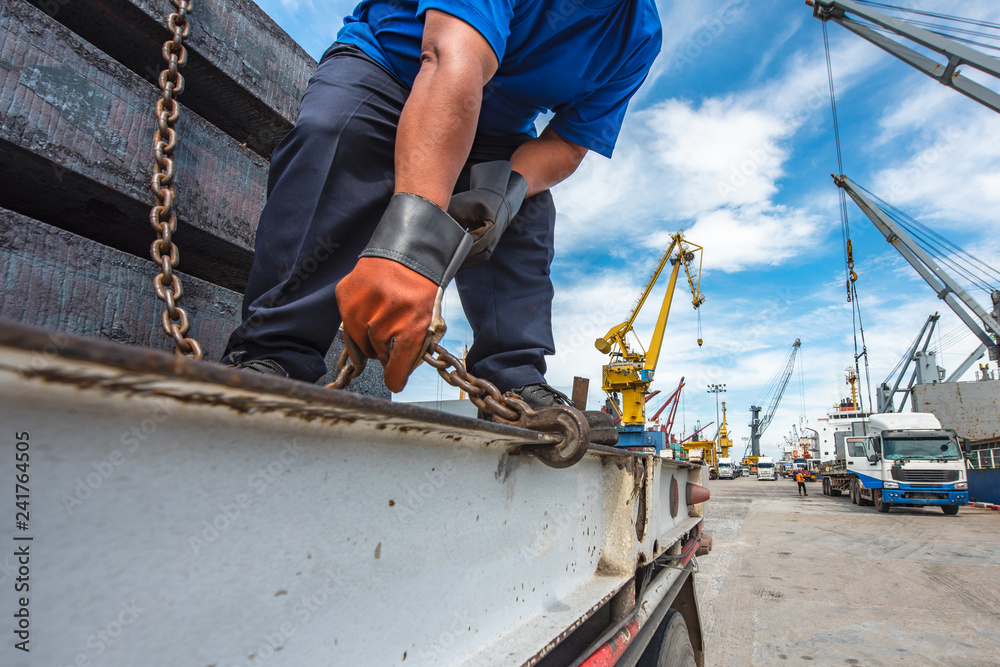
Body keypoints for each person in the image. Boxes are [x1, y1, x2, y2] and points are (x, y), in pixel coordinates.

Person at [221, 1, 662, 434]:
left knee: (527, 214)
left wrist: (506, 195)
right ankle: (275, 350)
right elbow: (453, 58)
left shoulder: (637, 36)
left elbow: (568, 143)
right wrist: (412, 249)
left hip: (496, 128)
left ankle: (512, 384)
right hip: (389, 69)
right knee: (338, 137)